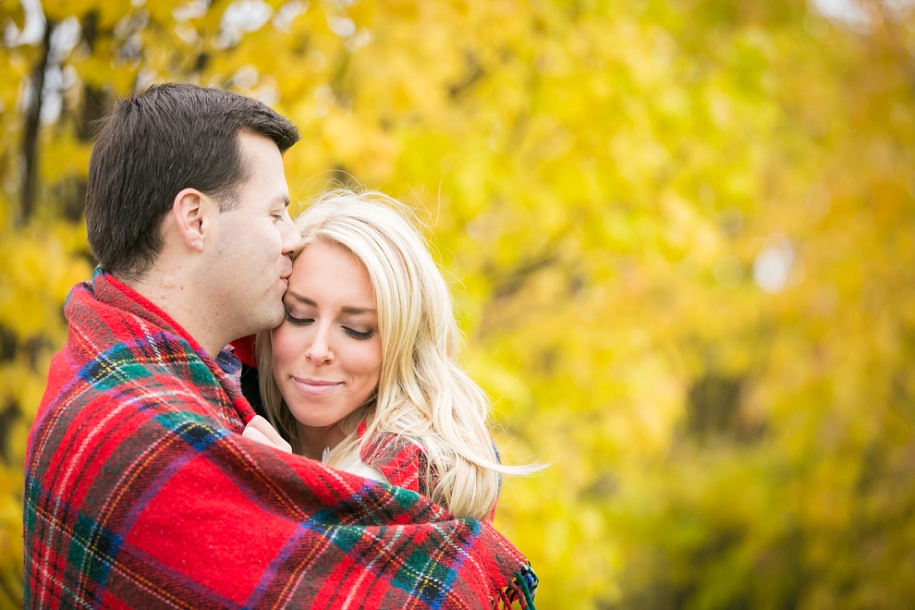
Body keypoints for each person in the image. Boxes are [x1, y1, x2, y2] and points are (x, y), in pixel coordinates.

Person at [24, 83, 537, 608]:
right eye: (274, 214)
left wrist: (308, 489)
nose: (291, 238)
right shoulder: (147, 425)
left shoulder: (140, 359)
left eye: (357, 328)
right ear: (195, 219)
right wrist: (290, 492)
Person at [255, 191, 535, 522]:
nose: (318, 351)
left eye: (357, 329)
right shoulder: (232, 396)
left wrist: (275, 496)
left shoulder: (404, 469)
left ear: (404, 344)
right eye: (299, 315)